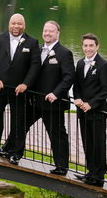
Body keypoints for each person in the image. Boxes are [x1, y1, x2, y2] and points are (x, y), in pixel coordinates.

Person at [0, 13, 41, 165]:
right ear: (9, 24)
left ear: (24, 25)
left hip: (19, 91)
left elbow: (35, 65)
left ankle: (15, 153)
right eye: (13, 23)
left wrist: (25, 84)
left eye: (19, 24)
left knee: (18, 122)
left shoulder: (32, 42)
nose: (16, 26)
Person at [21, 21, 75, 174]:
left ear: (58, 33)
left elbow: (69, 78)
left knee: (57, 136)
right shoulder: (37, 50)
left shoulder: (65, 53)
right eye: (45, 31)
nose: (47, 34)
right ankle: (10, 151)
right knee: (20, 125)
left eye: (51, 31)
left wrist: (56, 94)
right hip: (35, 101)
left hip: (53, 103)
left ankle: (61, 167)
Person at [73, 33, 107, 187]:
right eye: (85, 46)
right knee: (87, 143)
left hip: (97, 112)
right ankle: (90, 172)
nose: (88, 49)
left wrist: (91, 104)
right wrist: (77, 99)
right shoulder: (80, 63)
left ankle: (99, 175)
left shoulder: (103, 65)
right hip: (82, 112)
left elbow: (106, 90)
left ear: (97, 46)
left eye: (91, 46)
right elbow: (76, 85)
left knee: (98, 144)